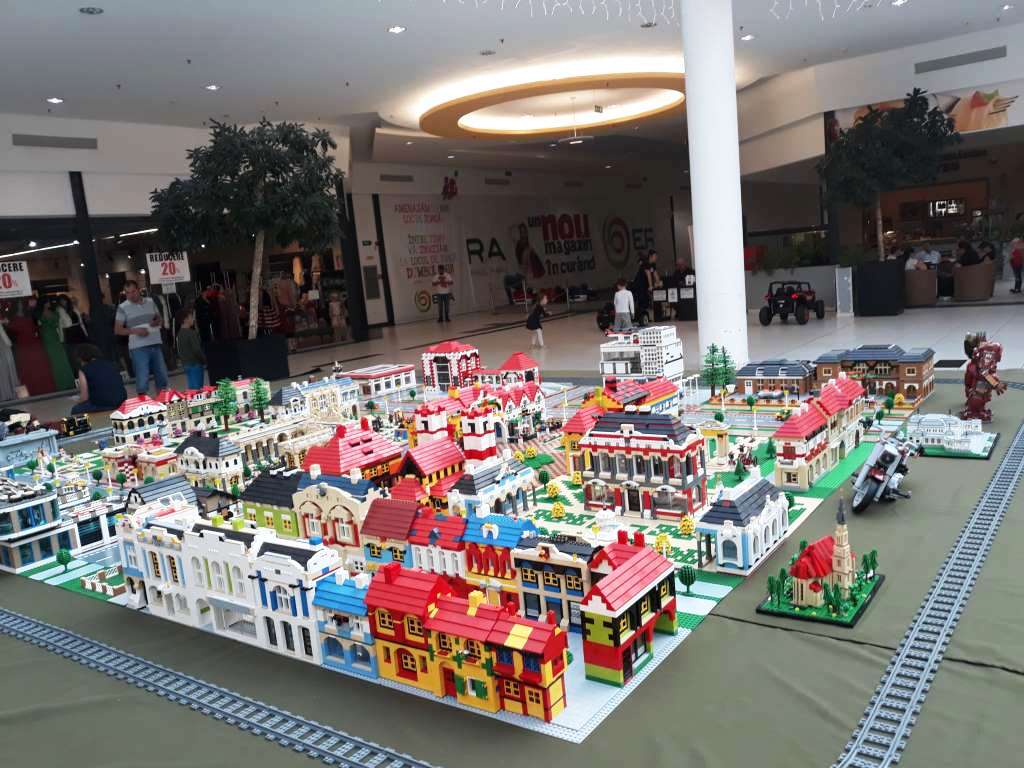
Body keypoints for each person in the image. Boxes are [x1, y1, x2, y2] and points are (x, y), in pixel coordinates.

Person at [115, 279, 168, 396]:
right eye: (127, 293)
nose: (131, 295)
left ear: (139, 290)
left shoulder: (150, 302)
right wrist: (135, 331)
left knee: (162, 376)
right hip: (138, 348)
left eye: (133, 291)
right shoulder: (122, 307)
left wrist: (157, 321)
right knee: (142, 378)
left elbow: (160, 319)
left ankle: (162, 399)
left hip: (155, 344)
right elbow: (118, 330)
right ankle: (143, 402)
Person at [71, 344, 126, 414]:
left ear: (81, 358)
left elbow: (84, 397)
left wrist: (78, 400)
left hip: (102, 404)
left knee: (75, 409)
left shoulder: (84, 370)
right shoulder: (111, 364)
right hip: (121, 401)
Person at [175, 307, 206, 390]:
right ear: (185, 320)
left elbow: (179, 350)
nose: (193, 319)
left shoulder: (179, 334)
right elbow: (197, 350)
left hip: (186, 364)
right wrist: (204, 360)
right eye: (191, 317)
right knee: (198, 388)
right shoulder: (191, 333)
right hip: (195, 364)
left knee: (192, 387)